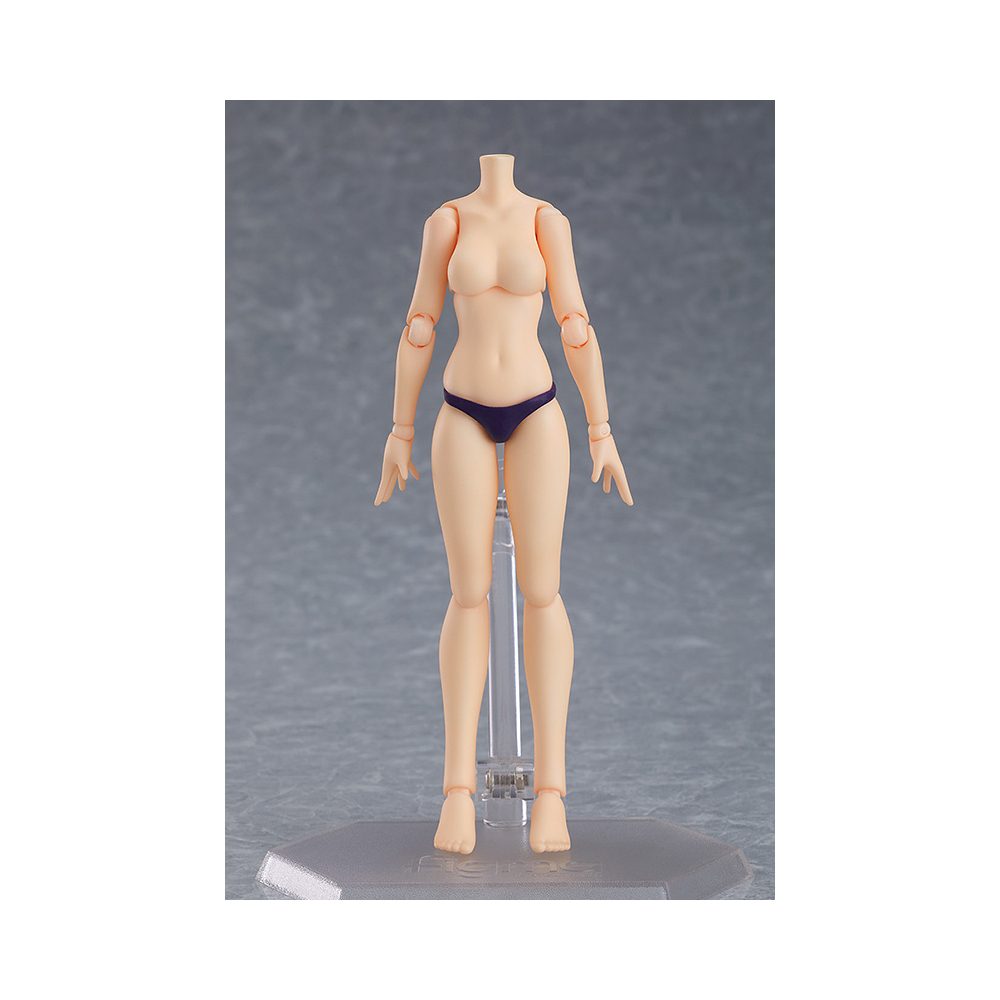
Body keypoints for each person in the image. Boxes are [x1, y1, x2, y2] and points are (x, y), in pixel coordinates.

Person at [375, 154, 631, 854]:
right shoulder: (446, 222)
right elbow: (419, 324)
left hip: (537, 409)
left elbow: (575, 324)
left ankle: (551, 794)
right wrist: (400, 430)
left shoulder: (547, 221)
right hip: (460, 410)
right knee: (468, 594)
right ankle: (458, 791)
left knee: (542, 593)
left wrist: (601, 429)